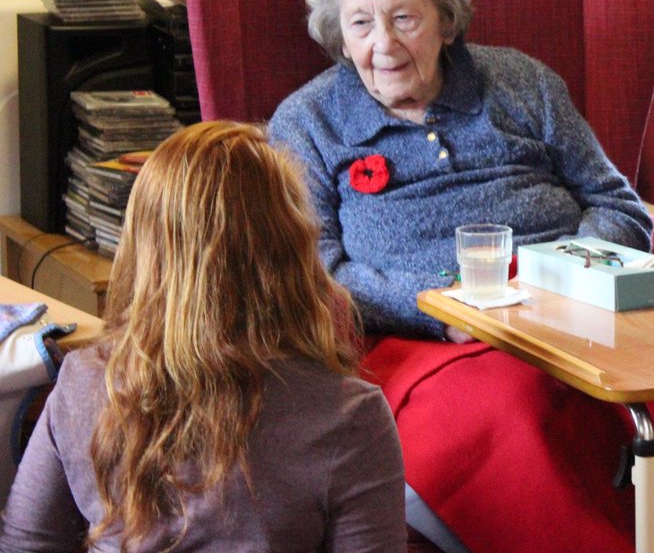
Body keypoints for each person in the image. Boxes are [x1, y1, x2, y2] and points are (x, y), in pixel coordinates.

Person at [269, 0, 654, 552]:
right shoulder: (308, 122)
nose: (384, 45)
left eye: (405, 18)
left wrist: (563, 276)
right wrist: (439, 305)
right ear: (338, 33)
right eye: (362, 23)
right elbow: (315, 267)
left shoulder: (523, 83)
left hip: (576, 306)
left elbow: (619, 205)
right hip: (434, 341)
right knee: (522, 416)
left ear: (447, 19)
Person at [0, 122, 407, 551]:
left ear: (142, 252)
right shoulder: (349, 418)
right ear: (292, 255)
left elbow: (26, 544)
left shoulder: (82, 382)